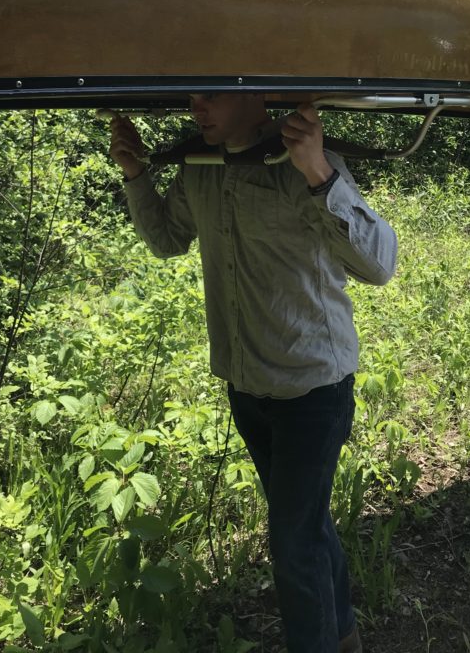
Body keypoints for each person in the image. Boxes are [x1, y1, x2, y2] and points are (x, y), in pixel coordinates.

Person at [109, 93, 397, 653]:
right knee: (305, 527)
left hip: (312, 386)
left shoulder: (308, 161)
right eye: (191, 97)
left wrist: (316, 171)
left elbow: (378, 265)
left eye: (211, 94)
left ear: (255, 92)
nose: (196, 108)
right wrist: (136, 174)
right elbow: (169, 240)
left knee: (293, 542)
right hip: (246, 386)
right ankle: (344, 638)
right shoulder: (200, 166)